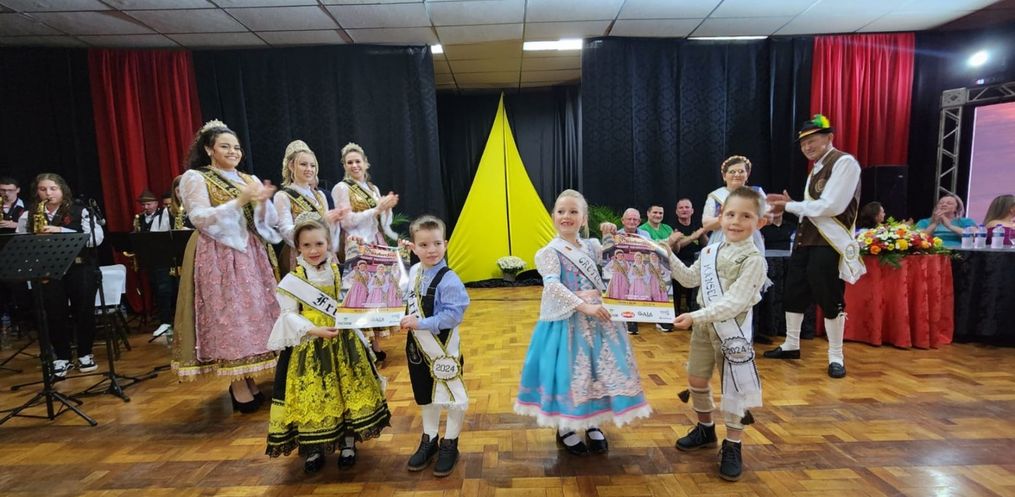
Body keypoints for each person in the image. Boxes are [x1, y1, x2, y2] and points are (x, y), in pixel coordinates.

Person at [515, 189, 651, 457]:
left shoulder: (592, 246)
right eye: (561, 211)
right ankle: (566, 427)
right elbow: (553, 286)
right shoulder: (548, 252)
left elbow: (616, 262)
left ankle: (592, 422)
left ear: (584, 218)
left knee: (596, 372)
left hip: (600, 321)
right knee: (569, 373)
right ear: (553, 216)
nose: (566, 216)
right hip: (568, 321)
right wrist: (584, 306)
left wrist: (611, 234)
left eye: (573, 212)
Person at [172, 119, 282, 412]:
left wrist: (262, 202)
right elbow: (198, 218)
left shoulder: (248, 178)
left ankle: (248, 376)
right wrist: (238, 201)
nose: (233, 152)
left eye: (236, 147)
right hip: (218, 254)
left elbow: (268, 222)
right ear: (209, 149)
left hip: (251, 253)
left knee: (254, 315)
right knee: (230, 317)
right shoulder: (196, 177)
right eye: (225, 146)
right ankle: (237, 383)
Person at [266, 218, 390, 474]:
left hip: (343, 342)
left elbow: (361, 291)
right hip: (310, 345)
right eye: (306, 245)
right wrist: (314, 330)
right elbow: (288, 315)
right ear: (298, 248)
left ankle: (348, 444)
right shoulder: (293, 279)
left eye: (319, 244)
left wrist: (358, 252)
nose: (313, 250)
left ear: (328, 244)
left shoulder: (338, 271)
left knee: (347, 393)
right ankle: (315, 448)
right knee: (316, 395)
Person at [668, 186, 768, 482]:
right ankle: (705, 429)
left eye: (746, 216)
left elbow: (733, 303)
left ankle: (733, 444)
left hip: (732, 332)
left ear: (760, 222)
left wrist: (694, 316)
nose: (736, 221)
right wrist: (666, 256)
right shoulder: (710, 251)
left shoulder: (754, 260)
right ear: (721, 217)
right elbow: (689, 278)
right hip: (703, 327)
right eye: (730, 214)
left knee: (734, 389)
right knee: (697, 379)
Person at [764, 114, 866, 379]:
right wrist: (787, 209)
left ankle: (836, 355)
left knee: (830, 297)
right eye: (803, 143)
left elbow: (832, 206)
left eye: (812, 140)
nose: (807, 147)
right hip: (805, 240)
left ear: (829, 138)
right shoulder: (816, 170)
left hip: (828, 243)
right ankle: (791, 344)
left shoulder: (844, 163)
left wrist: (789, 206)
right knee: (794, 293)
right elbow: (812, 209)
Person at [399, 215, 471, 478]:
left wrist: (420, 323)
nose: (431, 250)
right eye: (424, 245)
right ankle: (429, 439)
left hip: (443, 349)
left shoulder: (450, 280)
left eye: (437, 244)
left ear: (446, 244)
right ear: (414, 247)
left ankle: (450, 442)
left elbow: (453, 316)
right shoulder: (414, 272)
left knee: (452, 396)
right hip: (416, 349)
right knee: (425, 394)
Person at [16, 173, 103, 377]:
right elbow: (20, 243)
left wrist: (61, 231)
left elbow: (96, 238)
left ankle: (85, 354)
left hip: (79, 268)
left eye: (53, 188)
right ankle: (62, 356)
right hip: (48, 270)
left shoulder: (80, 210)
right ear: (37, 192)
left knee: (84, 311)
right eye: (43, 189)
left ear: (62, 190)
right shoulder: (28, 215)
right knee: (54, 313)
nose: (48, 193)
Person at [332, 142, 400, 362]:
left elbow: (381, 220)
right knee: (360, 293)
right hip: (357, 244)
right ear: (344, 165)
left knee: (376, 292)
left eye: (357, 161)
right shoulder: (342, 188)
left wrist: (386, 209)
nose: (354, 165)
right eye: (349, 162)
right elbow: (347, 221)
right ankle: (362, 345)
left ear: (365, 163)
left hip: (375, 241)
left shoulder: (372, 188)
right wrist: (376, 209)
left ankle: (376, 343)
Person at [273, 140, 346, 274]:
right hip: (301, 254)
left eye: (312, 165)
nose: (309, 169)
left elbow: (328, 232)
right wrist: (320, 221)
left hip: (325, 253)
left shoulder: (320, 196)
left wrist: (333, 222)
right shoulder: (283, 196)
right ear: (291, 165)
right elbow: (285, 231)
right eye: (303, 164)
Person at [601, 208, 650, 334]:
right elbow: (606, 251)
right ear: (623, 221)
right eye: (629, 219)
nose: (632, 222)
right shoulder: (616, 235)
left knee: (635, 293)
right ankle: (626, 320)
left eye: (635, 219)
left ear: (639, 221)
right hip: (622, 271)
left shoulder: (646, 235)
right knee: (622, 293)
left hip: (638, 269)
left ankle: (636, 318)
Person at [702, 156, 767, 251]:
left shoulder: (756, 193)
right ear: (724, 176)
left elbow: (768, 217)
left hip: (750, 240)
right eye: (732, 172)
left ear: (747, 175)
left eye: (741, 171)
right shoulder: (715, 196)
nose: (737, 174)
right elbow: (706, 224)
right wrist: (727, 218)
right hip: (722, 241)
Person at [134, 189, 174, 338]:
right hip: (151, 259)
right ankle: (163, 320)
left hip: (164, 258)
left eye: (149, 204)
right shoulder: (139, 218)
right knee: (157, 289)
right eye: (143, 205)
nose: (146, 207)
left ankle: (168, 320)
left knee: (165, 289)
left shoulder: (163, 214)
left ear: (156, 204)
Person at [668, 198, 708, 318]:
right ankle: (675, 313)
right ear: (676, 212)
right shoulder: (672, 227)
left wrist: (702, 234)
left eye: (687, 207)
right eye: (681, 208)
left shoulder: (697, 225)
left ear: (692, 210)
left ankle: (693, 311)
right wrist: (692, 237)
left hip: (696, 261)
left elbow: (706, 245)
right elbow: (676, 248)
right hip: (678, 262)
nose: (684, 210)